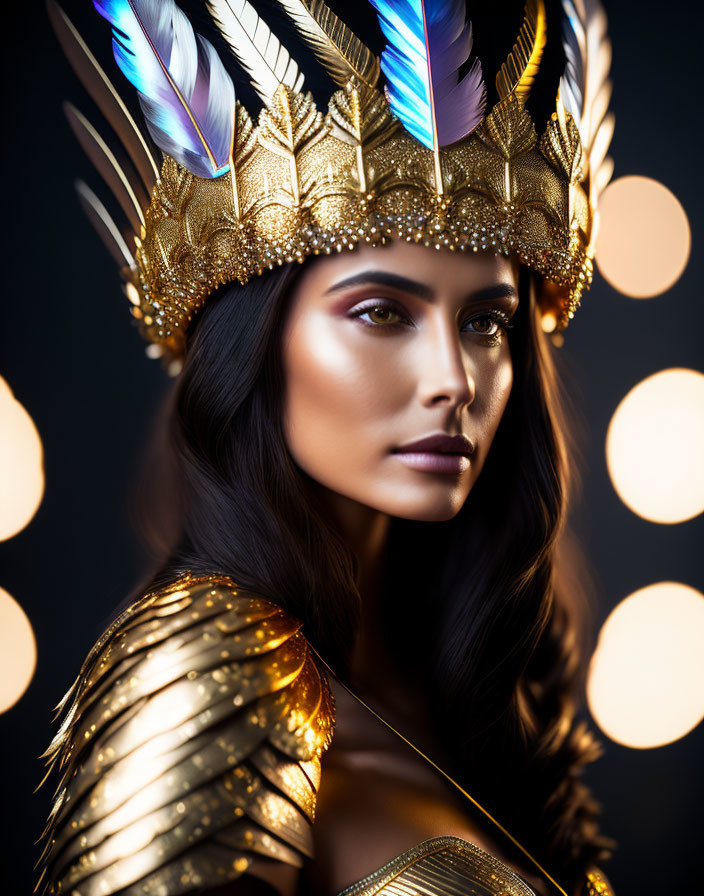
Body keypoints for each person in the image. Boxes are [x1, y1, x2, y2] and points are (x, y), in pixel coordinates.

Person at [37, 0, 617, 894]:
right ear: (257, 347)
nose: (454, 378)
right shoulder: (207, 662)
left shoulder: (472, 686)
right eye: (382, 312)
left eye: (488, 322)